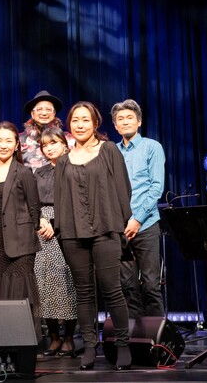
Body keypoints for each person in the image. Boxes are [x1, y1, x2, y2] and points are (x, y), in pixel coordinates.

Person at [53, 101, 132, 371]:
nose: (80, 125)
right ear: (69, 125)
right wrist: (62, 230)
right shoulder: (63, 160)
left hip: (106, 228)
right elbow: (60, 199)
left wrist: (120, 226)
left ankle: (122, 344)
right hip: (73, 233)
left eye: (85, 120)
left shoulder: (108, 150)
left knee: (112, 289)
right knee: (84, 292)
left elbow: (123, 189)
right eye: (75, 120)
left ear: (95, 123)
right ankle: (89, 345)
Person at [111, 99, 166, 319]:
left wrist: (137, 219)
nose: (125, 122)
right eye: (120, 119)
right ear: (115, 126)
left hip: (146, 225)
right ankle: (135, 335)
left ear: (139, 121)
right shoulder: (112, 151)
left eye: (129, 117)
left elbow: (156, 187)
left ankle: (158, 336)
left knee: (151, 285)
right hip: (120, 228)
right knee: (127, 286)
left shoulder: (152, 147)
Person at [0, 121, 40, 315]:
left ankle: (24, 333)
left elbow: (34, 208)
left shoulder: (23, 172)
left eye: (9, 141)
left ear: (16, 145)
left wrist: (32, 230)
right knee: (0, 291)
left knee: (19, 291)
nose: (3, 145)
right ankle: (3, 332)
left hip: (20, 245)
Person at [34, 127, 78, 357]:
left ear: (64, 144)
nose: (49, 148)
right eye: (45, 145)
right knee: (44, 283)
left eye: (54, 143)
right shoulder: (39, 172)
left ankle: (69, 336)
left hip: (68, 226)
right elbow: (32, 201)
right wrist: (41, 220)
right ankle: (53, 337)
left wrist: (56, 222)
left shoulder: (74, 167)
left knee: (67, 281)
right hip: (42, 229)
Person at [20, 90, 75, 171]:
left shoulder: (68, 139)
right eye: (39, 109)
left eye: (48, 109)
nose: (44, 113)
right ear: (32, 114)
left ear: (54, 113)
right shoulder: (20, 140)